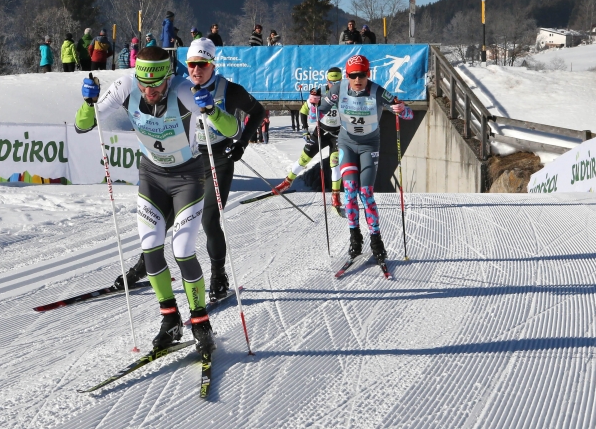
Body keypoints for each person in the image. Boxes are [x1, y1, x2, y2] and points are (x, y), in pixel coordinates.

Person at [74, 46, 241, 354]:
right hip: (152, 176)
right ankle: (170, 319)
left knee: (182, 249)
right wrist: (88, 102)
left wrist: (214, 111)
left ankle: (200, 321)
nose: (148, 90)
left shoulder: (185, 91)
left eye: (155, 84)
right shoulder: (126, 87)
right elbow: (83, 125)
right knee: (150, 250)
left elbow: (233, 130)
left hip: (188, 178)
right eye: (143, 83)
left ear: (169, 76)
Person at [114, 38, 266, 303]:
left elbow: (259, 111)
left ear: (212, 65)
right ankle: (142, 267)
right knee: (164, 219)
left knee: (208, 220)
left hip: (216, 159)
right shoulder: (177, 85)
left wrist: (241, 144)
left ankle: (219, 276)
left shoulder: (229, 90)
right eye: (193, 64)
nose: (197, 70)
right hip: (182, 163)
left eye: (203, 64)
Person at [317, 55, 414, 264]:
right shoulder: (338, 90)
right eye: (353, 75)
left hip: (370, 146)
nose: (357, 79)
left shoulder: (378, 91)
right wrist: (312, 107)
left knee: (366, 192)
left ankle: (376, 241)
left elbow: (408, 115)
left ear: (368, 74)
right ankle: (355, 238)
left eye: (362, 74)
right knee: (350, 191)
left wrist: (401, 109)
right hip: (347, 144)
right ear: (347, 75)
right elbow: (316, 113)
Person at [273, 67, 344, 209]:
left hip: (338, 134)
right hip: (321, 131)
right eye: (332, 82)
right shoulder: (319, 92)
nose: (334, 85)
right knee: (304, 158)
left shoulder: (346, 93)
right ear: (327, 80)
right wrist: (305, 130)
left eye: (338, 82)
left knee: (335, 165)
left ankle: (335, 195)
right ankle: (287, 182)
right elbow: (303, 111)